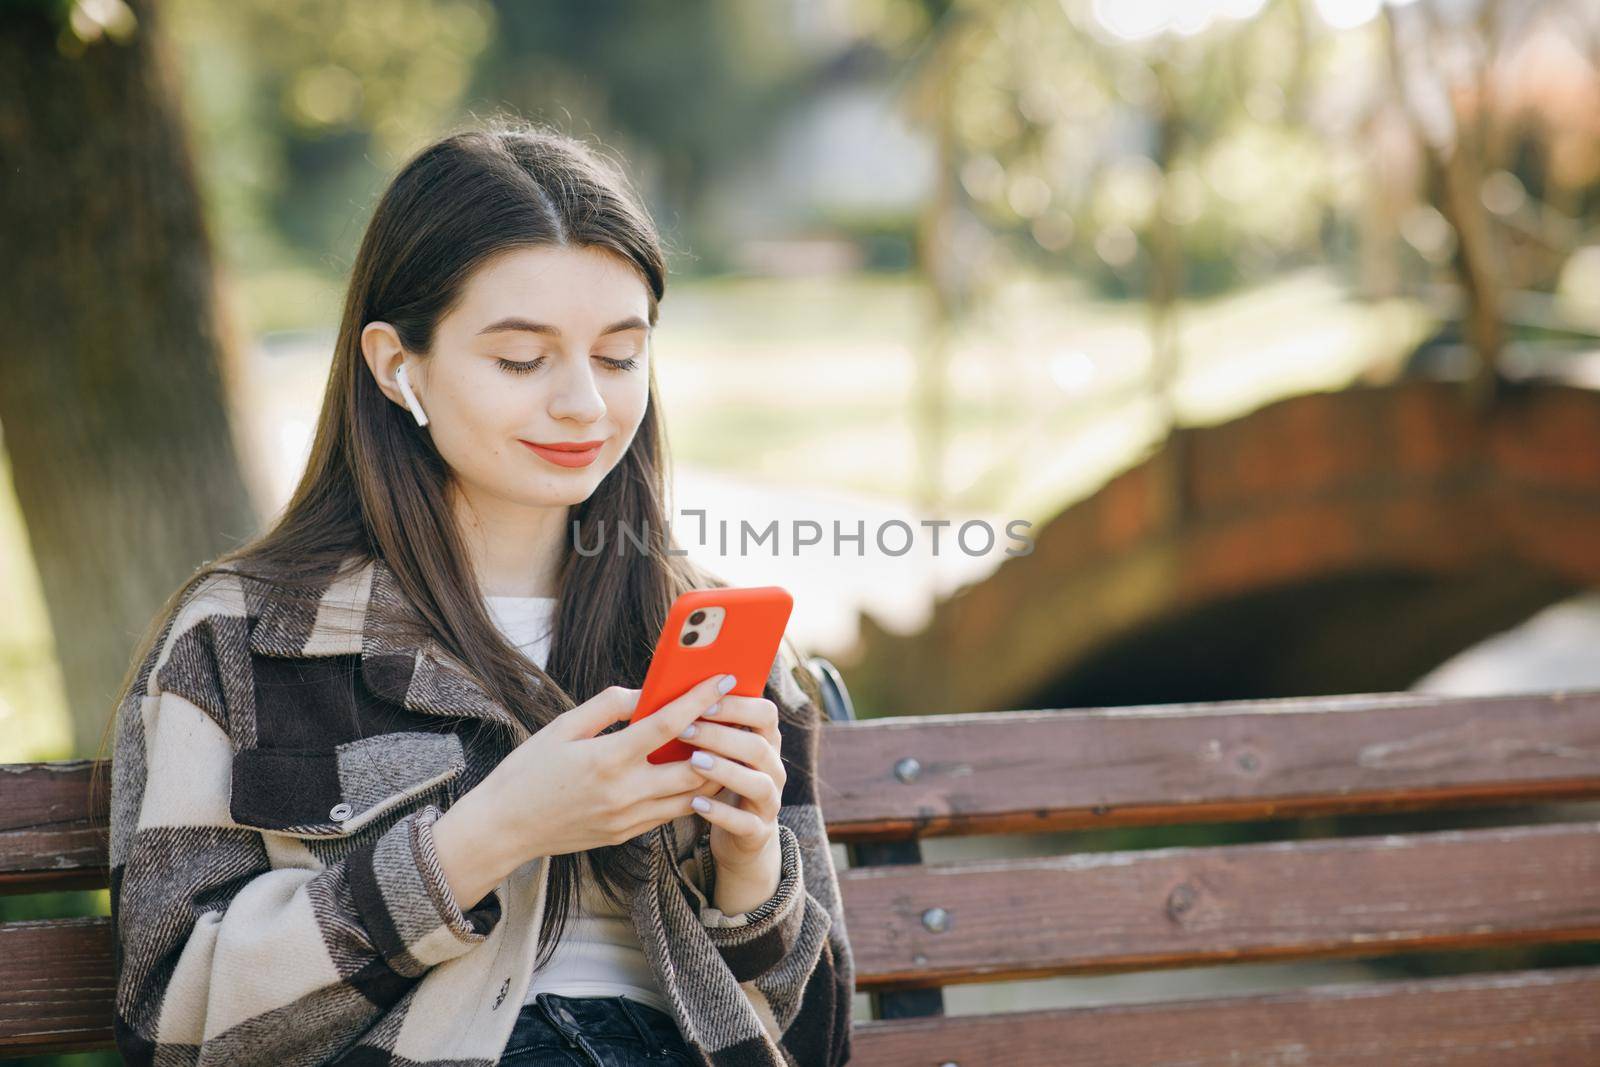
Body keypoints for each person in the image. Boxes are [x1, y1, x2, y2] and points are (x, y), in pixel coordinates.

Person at [102, 119, 855, 1067]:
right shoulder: (247, 638)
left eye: (619, 356)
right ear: (395, 364)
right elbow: (172, 1024)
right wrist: (490, 833)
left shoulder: (712, 634)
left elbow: (821, 1041)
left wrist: (751, 874)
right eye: (520, 360)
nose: (584, 403)